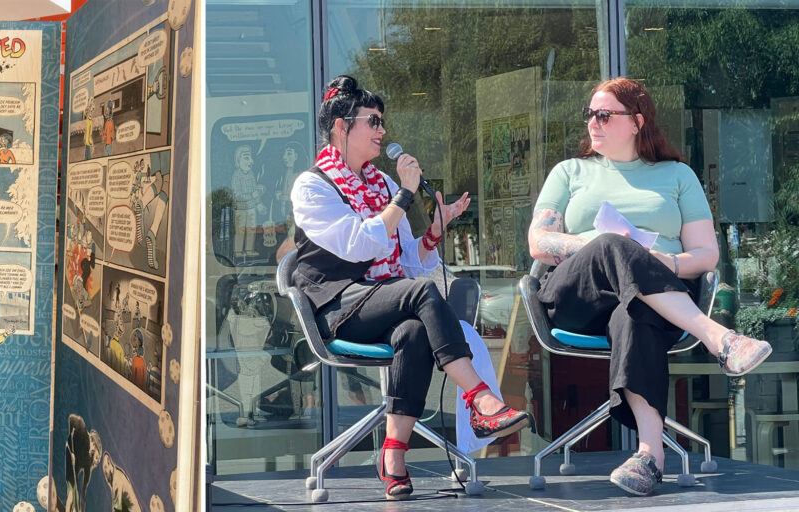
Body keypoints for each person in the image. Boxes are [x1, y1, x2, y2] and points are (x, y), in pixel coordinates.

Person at [527, 77, 773, 496]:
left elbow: (705, 255)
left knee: (636, 311)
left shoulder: (676, 175)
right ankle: (719, 338)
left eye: (604, 114)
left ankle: (648, 455)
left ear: (637, 121)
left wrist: (664, 262)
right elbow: (538, 242)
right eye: (590, 114)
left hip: (654, 301)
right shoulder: (570, 171)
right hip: (576, 296)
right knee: (613, 244)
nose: (593, 122)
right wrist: (595, 243)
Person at [291, 75, 529, 500]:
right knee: (420, 294)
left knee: (415, 331)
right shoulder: (313, 185)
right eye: (374, 121)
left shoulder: (380, 185)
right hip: (337, 307)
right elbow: (357, 242)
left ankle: (394, 453)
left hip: (382, 301)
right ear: (342, 126)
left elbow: (406, 262)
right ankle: (481, 400)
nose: (383, 131)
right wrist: (404, 195)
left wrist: (435, 230)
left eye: (383, 121)